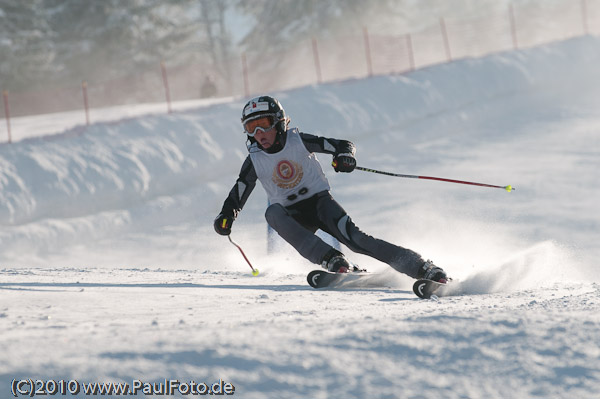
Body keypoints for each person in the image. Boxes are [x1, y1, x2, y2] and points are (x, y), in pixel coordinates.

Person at [214, 95, 448, 282]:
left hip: (320, 204)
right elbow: (240, 190)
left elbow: (343, 145)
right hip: (293, 216)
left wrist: (344, 156)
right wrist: (227, 215)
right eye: (251, 127)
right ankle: (331, 259)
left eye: (263, 125)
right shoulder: (254, 159)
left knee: (356, 240)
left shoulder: (299, 141)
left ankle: (422, 268)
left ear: (278, 122)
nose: (259, 134)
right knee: (272, 213)